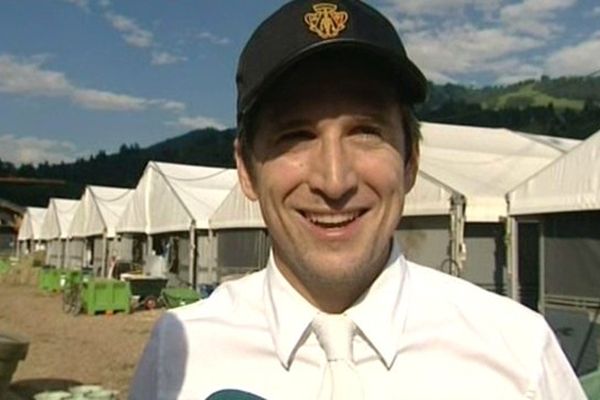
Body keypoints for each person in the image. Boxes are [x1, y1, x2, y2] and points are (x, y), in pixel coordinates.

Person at [129, 1, 587, 399]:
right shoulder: (180, 350)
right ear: (247, 171)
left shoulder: (519, 354)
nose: (334, 180)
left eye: (366, 131)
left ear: (410, 162)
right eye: (295, 136)